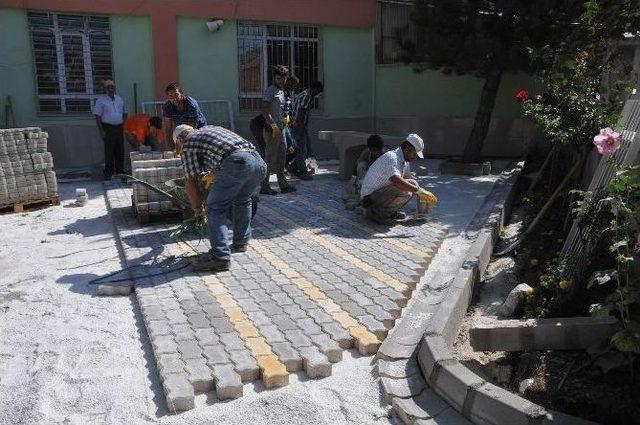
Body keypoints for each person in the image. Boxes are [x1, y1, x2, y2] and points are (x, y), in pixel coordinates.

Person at [174, 124, 266, 272]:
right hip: (257, 161)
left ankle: (220, 257)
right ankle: (240, 243)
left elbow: (190, 181)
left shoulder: (188, 143)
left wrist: (199, 209)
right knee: (242, 200)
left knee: (214, 208)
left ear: (179, 139)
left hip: (237, 163)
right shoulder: (209, 129)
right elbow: (224, 155)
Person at [360, 133, 437, 224]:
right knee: (407, 190)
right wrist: (419, 191)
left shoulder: (402, 159)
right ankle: (376, 213)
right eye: (415, 154)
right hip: (368, 200)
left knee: (413, 184)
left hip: (377, 195)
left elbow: (409, 181)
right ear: (407, 149)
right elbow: (396, 180)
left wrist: (421, 193)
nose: (415, 157)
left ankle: (388, 212)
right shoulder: (393, 158)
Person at [260, 65, 295, 195]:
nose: (280, 81)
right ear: (274, 78)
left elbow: (283, 111)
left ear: (286, 79)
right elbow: (264, 110)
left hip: (282, 130)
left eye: (282, 79)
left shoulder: (282, 91)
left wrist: (286, 120)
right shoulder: (270, 91)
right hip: (271, 130)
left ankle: (283, 185)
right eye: (278, 78)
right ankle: (264, 186)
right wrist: (273, 126)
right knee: (270, 159)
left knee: (281, 158)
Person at [94, 80, 127, 180]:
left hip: (119, 128)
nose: (110, 89)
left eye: (112, 87)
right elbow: (98, 116)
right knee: (109, 152)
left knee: (120, 151)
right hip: (108, 128)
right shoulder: (101, 100)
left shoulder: (119, 99)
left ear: (114, 88)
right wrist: (101, 130)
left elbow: (125, 113)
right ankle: (108, 173)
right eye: (108, 87)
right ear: (105, 89)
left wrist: (123, 124)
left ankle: (120, 172)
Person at [290, 81, 324, 180]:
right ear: (315, 89)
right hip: (298, 126)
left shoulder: (304, 94)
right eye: (318, 92)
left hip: (300, 126)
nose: (318, 94)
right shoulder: (307, 96)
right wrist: (300, 129)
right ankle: (302, 171)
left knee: (308, 149)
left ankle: (293, 167)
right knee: (302, 150)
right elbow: (301, 112)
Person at [162, 82, 207, 150]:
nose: (174, 98)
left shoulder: (191, 105)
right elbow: (168, 129)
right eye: (171, 96)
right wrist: (172, 147)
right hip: (181, 127)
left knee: (197, 148)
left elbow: (191, 129)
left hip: (199, 127)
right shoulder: (167, 107)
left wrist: (180, 146)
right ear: (168, 97)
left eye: (176, 95)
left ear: (182, 94)